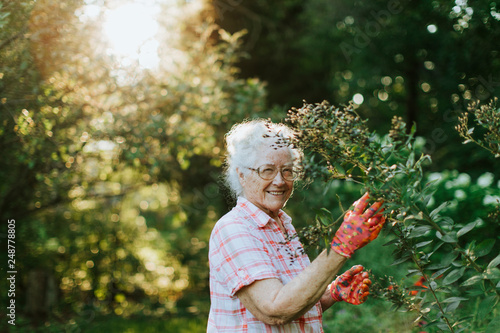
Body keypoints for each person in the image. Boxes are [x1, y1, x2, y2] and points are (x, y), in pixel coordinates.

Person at [208, 119, 385, 332]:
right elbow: (274, 310)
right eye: (267, 170)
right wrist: (341, 246)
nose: (280, 181)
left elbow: (293, 307)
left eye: (287, 170)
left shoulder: (283, 225)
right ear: (242, 174)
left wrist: (332, 293)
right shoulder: (234, 229)